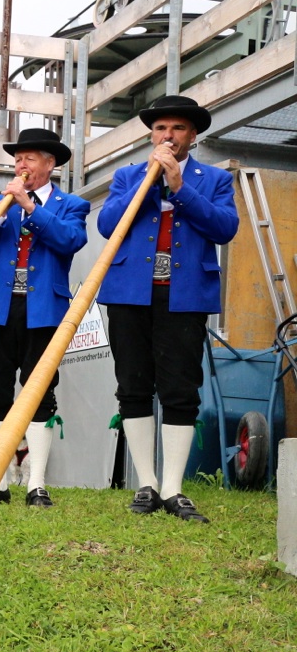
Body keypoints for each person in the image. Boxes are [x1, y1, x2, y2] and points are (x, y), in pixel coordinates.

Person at [97, 95, 238, 523]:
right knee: (133, 384)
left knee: (180, 388)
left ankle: (174, 487)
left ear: (193, 136)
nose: (168, 136)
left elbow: (224, 228)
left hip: (186, 294)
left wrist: (180, 188)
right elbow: (107, 225)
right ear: (151, 136)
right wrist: (148, 181)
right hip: (129, 293)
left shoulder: (214, 179)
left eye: (177, 128)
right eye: (161, 128)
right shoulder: (128, 175)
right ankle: (147, 483)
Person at [0, 128, 90, 507]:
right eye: (18, 159)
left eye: (30, 159)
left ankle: (36, 482)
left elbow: (70, 241)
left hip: (44, 310)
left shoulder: (72, 205)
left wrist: (31, 208)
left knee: (39, 391)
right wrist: (0, 215)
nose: (21, 165)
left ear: (50, 164)